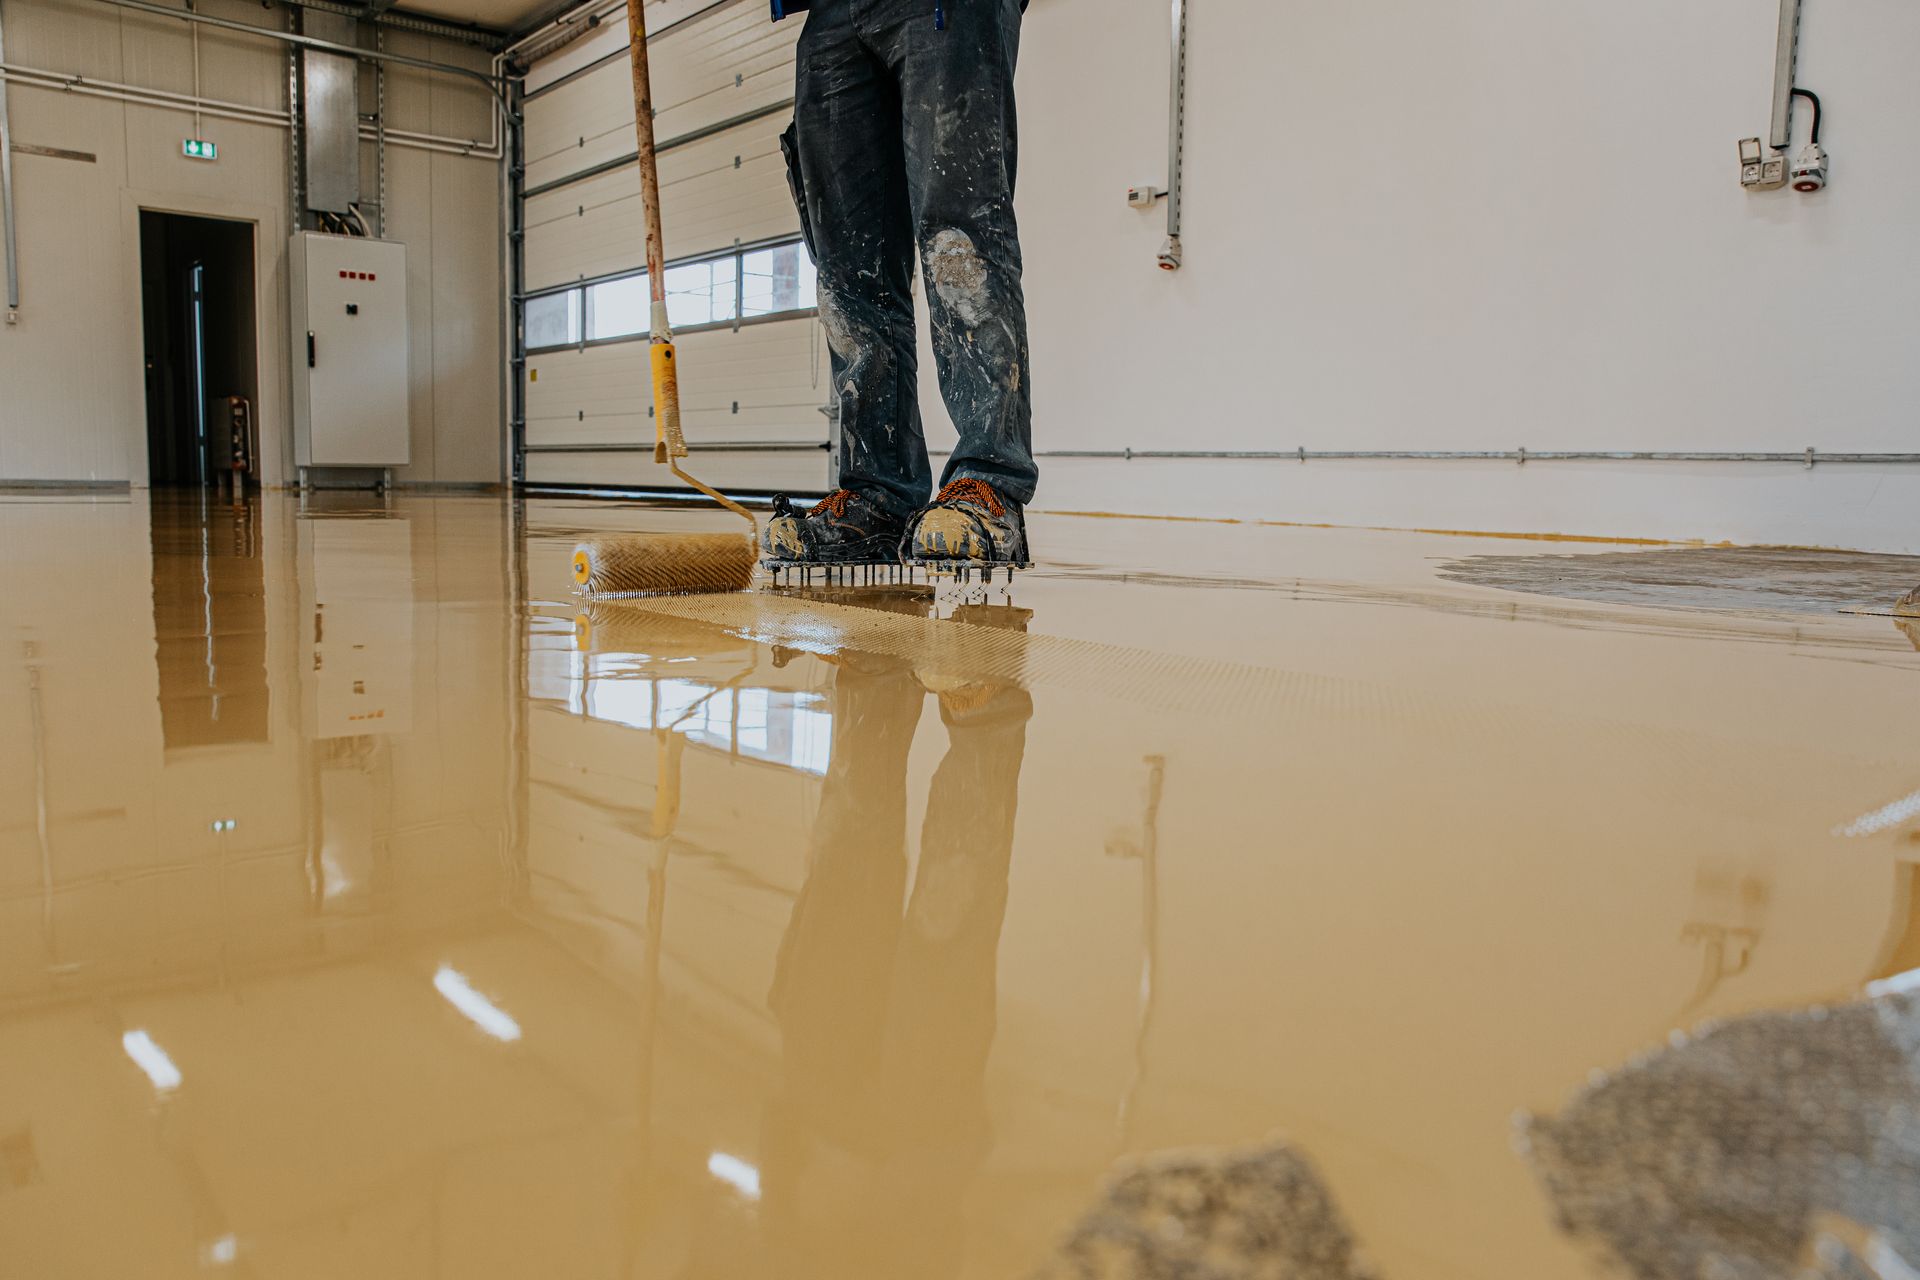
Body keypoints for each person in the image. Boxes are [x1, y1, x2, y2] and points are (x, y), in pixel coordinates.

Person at [765, 0, 1035, 567]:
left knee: (959, 244)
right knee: (846, 274)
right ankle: (875, 498)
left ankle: (989, 486)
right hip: (830, 15)